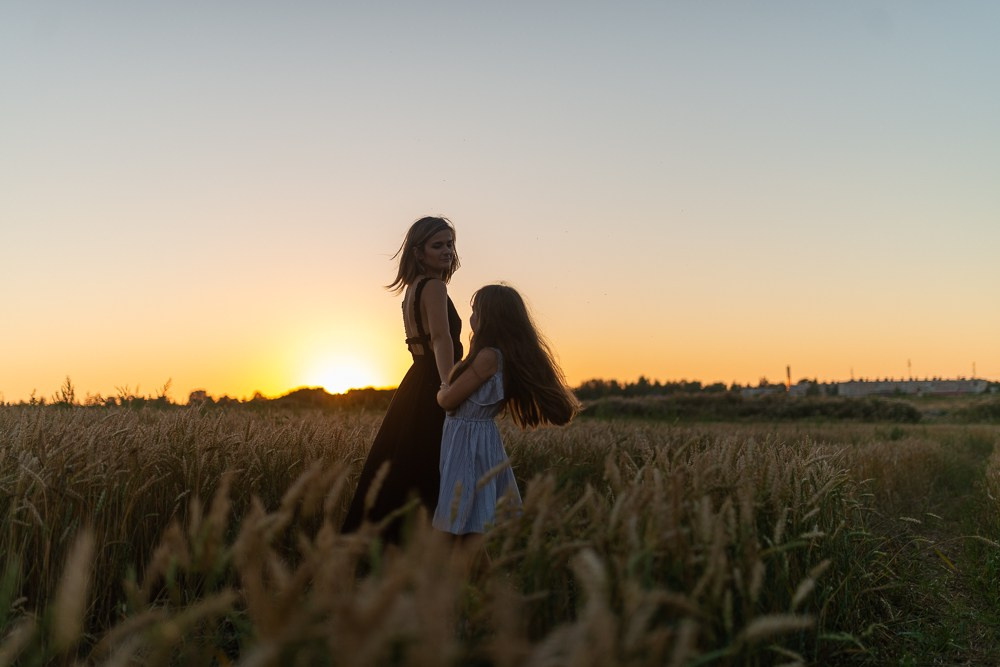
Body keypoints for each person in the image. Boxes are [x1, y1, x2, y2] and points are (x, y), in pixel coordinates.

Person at [341, 216, 463, 543]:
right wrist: (450, 387)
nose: (447, 251)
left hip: (415, 385)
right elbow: (441, 339)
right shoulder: (434, 287)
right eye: (438, 245)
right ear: (418, 252)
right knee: (432, 471)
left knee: (404, 468)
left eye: (450, 244)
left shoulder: (412, 290)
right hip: (434, 386)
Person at [433, 284, 580, 538]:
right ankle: (477, 576)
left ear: (490, 318)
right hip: (471, 440)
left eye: (475, 311)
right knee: (468, 525)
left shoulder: (488, 357)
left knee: (463, 521)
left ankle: (465, 575)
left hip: (469, 444)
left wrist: (443, 387)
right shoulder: (492, 355)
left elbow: (448, 401)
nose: (472, 318)